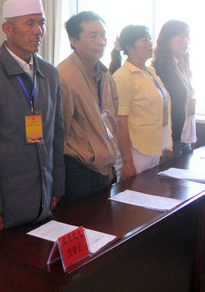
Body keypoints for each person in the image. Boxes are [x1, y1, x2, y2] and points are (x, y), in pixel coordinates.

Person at [0, 0, 64, 237]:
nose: (38, 31)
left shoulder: (49, 73)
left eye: (41, 23)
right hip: (3, 204)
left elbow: (57, 135)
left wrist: (56, 186)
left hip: (43, 197)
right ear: (7, 28)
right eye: (30, 23)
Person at [57, 12, 118, 205]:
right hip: (78, 170)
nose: (101, 41)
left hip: (104, 167)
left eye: (103, 35)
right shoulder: (63, 77)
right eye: (93, 36)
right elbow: (58, 133)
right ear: (73, 40)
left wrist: (109, 166)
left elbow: (112, 118)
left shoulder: (105, 74)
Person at [110, 25, 172, 180]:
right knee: (136, 192)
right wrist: (128, 162)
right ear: (130, 47)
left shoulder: (151, 71)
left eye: (150, 38)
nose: (150, 43)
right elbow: (120, 121)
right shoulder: (123, 77)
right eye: (144, 40)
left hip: (154, 147)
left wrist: (164, 146)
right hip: (136, 151)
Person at [152, 20, 195, 158]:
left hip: (186, 137)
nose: (185, 41)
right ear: (167, 40)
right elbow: (162, 107)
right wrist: (167, 144)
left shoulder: (182, 66)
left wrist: (191, 137)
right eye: (180, 37)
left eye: (187, 37)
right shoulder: (159, 69)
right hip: (171, 140)